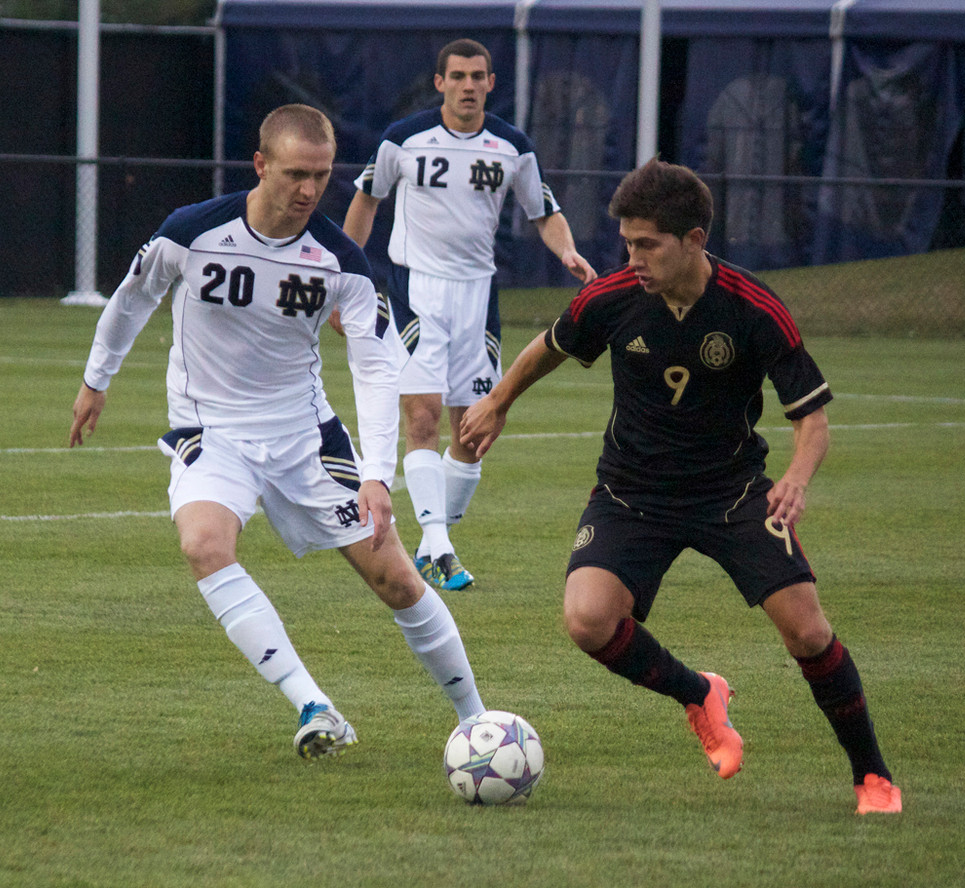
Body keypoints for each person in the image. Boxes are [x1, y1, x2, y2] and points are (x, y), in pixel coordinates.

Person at [460, 158, 901, 815]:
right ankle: (698, 695)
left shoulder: (752, 310)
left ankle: (872, 776)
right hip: (629, 495)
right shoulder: (611, 298)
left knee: (807, 634)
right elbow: (549, 345)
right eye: (627, 243)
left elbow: (811, 420)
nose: (632, 257)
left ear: (694, 239)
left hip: (731, 494)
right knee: (586, 620)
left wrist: (797, 480)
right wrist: (497, 402)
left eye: (647, 244)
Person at [69, 103, 486, 761]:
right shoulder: (193, 232)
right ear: (260, 165)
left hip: (305, 441)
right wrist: (97, 379)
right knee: (205, 544)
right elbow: (132, 298)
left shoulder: (339, 260)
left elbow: (375, 367)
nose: (308, 191)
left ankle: (478, 721)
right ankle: (313, 705)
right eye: (294, 173)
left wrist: (378, 475)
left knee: (399, 584)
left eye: (321, 176)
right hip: (212, 434)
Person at [336, 37, 597, 592]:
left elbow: (543, 210)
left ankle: (436, 542)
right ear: (440, 83)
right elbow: (366, 199)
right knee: (423, 417)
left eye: (478, 76)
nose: (468, 86)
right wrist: (342, 277)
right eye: (457, 76)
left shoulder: (511, 147)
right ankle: (438, 545)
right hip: (416, 291)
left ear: (491, 83)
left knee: (475, 434)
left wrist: (567, 251)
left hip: (478, 299)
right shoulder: (403, 139)